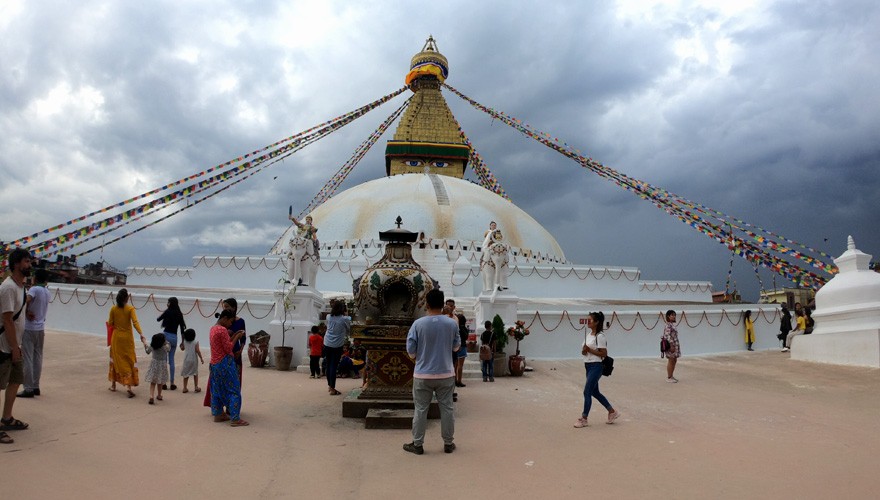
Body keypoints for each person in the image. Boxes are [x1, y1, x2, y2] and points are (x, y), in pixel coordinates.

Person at [403, 289, 460, 455]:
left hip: (423, 374)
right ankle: (448, 443)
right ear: (443, 305)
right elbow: (456, 347)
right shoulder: (452, 323)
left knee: (421, 409)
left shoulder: (418, 324)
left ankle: (418, 444)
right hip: (446, 373)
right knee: (447, 409)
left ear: (426, 304)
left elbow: (411, 350)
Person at [1, 248, 33, 443]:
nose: (29, 265)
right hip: (4, 346)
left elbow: (17, 314)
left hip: (15, 344)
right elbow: (7, 320)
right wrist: (13, 347)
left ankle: (7, 418)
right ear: (16, 264)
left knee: (15, 381)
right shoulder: (7, 288)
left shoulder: (21, 287)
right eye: (26, 261)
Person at [575, 311, 620, 428]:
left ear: (597, 322)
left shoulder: (600, 336)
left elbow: (604, 353)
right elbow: (585, 351)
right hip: (588, 365)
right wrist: (585, 351)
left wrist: (589, 350)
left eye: (590, 320)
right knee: (595, 392)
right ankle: (612, 411)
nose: (588, 321)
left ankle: (584, 418)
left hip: (596, 366)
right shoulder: (589, 335)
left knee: (587, 391)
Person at [203, 298, 246, 407]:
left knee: (234, 380)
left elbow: (243, 339)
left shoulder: (240, 321)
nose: (225, 309)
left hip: (235, 354)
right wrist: (236, 336)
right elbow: (225, 345)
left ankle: (228, 407)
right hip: (223, 356)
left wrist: (240, 351)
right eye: (224, 307)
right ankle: (224, 408)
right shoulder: (221, 324)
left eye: (227, 307)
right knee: (222, 382)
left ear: (234, 307)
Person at [209, 309, 248, 426]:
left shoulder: (213, 328)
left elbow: (224, 344)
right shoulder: (222, 330)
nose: (231, 324)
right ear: (225, 318)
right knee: (234, 390)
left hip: (215, 363)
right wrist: (237, 337)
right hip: (225, 364)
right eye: (230, 321)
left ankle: (218, 414)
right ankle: (235, 418)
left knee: (216, 390)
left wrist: (236, 334)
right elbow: (229, 348)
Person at [108, 288, 145, 398]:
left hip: (116, 338)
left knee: (115, 360)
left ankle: (113, 385)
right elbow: (135, 322)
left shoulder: (113, 309)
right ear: (127, 298)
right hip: (127, 339)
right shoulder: (130, 309)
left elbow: (110, 323)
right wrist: (141, 333)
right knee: (129, 360)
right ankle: (128, 386)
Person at [19, 268, 49, 398]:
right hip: (40, 328)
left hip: (30, 327)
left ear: (35, 278)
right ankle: (36, 386)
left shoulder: (34, 290)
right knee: (38, 357)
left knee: (27, 358)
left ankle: (28, 388)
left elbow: (24, 302)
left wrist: (26, 312)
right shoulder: (47, 292)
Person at [157, 297, 186, 391]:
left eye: (168, 302)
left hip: (165, 337)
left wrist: (166, 312)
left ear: (170, 303)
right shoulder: (179, 314)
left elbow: (158, 319)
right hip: (174, 337)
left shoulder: (168, 312)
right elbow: (182, 329)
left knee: (164, 360)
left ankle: (164, 382)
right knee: (171, 360)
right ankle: (172, 383)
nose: (167, 304)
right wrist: (182, 342)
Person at [323, 300, 351, 396]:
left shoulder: (328, 317)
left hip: (327, 343)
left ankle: (330, 386)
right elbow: (349, 329)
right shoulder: (344, 319)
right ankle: (332, 388)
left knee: (328, 364)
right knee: (333, 366)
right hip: (337, 345)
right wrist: (346, 314)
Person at [143, 333, 170, 405]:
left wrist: (144, 342)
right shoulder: (165, 347)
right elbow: (169, 347)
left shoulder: (153, 346)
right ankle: (159, 395)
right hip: (162, 365)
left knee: (153, 382)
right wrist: (166, 341)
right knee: (160, 381)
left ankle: (151, 396)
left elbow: (147, 351)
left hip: (154, 364)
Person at [179, 328, 203, 393]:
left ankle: (184, 388)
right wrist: (201, 358)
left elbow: (182, 349)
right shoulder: (196, 342)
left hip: (186, 360)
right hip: (194, 360)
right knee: (195, 373)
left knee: (186, 374)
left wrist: (181, 346)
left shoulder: (184, 342)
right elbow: (198, 351)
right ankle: (196, 387)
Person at [661, 310, 681, 383]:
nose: (674, 316)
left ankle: (671, 376)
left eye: (674, 315)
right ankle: (669, 377)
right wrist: (671, 345)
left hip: (675, 345)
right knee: (671, 360)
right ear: (668, 316)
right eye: (672, 315)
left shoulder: (672, 325)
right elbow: (667, 336)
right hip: (671, 345)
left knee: (674, 360)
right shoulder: (668, 325)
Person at [454, 313, 469, 388]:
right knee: (460, 366)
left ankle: (455, 380)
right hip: (462, 346)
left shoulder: (455, 327)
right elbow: (466, 337)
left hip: (456, 347)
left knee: (455, 365)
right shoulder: (463, 328)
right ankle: (459, 381)